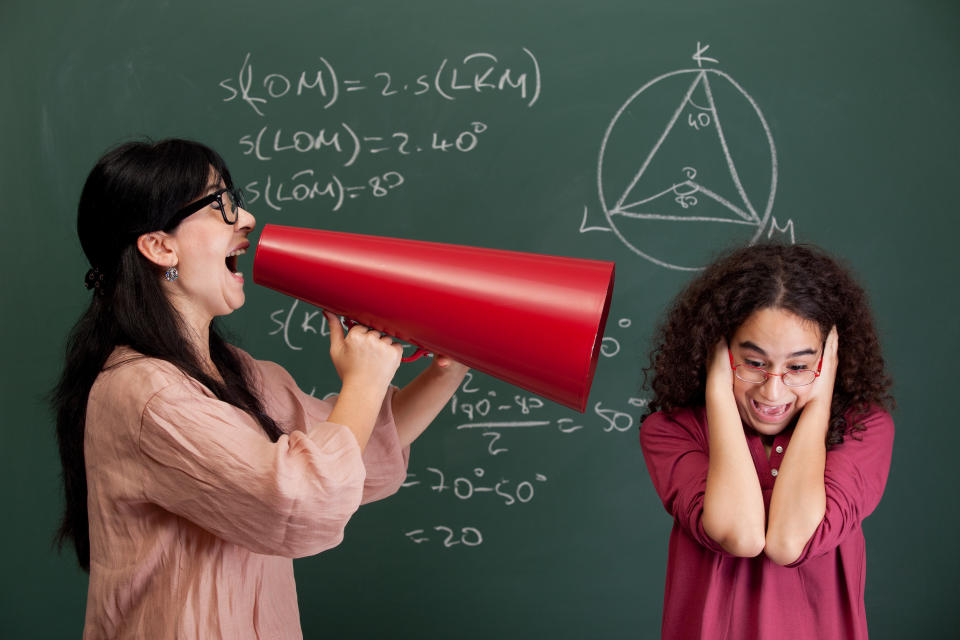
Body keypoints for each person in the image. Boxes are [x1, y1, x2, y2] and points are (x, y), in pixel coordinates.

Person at [52, 138, 468, 639]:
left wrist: (450, 364)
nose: (246, 219)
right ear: (160, 246)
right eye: (221, 203)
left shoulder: (239, 374)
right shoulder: (146, 393)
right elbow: (303, 496)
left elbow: (364, 449)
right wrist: (362, 380)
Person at [638, 243, 894, 639]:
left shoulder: (865, 428)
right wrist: (720, 394)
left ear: (829, 363)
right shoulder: (672, 429)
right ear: (717, 351)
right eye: (754, 363)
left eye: (799, 366)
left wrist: (819, 404)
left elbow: (789, 541)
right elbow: (739, 535)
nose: (772, 393)